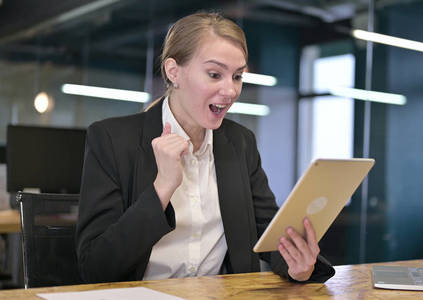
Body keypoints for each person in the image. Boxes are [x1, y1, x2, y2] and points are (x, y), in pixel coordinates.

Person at [75, 12, 335, 284]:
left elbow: (269, 233)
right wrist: (162, 188)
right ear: (173, 71)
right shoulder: (112, 139)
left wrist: (299, 266)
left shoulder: (240, 142)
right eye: (214, 74)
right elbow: (95, 267)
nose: (231, 90)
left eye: (237, 76)